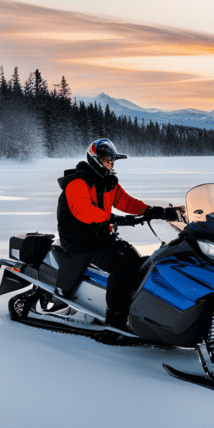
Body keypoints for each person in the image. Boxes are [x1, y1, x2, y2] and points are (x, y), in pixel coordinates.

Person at [56, 138, 178, 330]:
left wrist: (155, 211)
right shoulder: (78, 183)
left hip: (100, 237)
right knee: (119, 265)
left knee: (136, 260)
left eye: (112, 161)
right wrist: (114, 219)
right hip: (80, 242)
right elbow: (84, 211)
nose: (110, 165)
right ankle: (115, 319)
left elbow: (127, 202)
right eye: (107, 161)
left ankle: (137, 309)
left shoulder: (108, 182)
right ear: (96, 159)